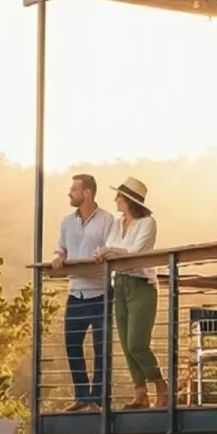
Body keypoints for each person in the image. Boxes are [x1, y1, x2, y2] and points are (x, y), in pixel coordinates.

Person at [49, 174, 117, 411]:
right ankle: (82, 396)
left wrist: (103, 254)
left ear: (87, 193)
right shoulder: (67, 222)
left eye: (73, 189)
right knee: (72, 343)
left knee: (101, 348)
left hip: (100, 292)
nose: (70, 193)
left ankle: (97, 399)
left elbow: (110, 248)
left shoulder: (107, 220)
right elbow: (61, 249)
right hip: (76, 292)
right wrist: (58, 257)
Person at [96, 178, 165, 408]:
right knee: (126, 343)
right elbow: (111, 248)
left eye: (119, 196)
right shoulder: (117, 224)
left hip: (141, 284)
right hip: (121, 283)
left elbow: (135, 253)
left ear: (128, 200)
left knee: (137, 342)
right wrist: (108, 251)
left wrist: (110, 251)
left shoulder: (147, 223)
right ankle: (140, 392)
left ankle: (159, 384)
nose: (115, 199)